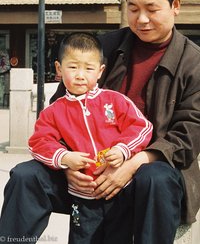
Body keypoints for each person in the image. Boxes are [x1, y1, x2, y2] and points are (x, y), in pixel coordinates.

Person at [0, 0, 200, 244]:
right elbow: (60, 108)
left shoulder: (193, 64)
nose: (141, 19)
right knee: (25, 176)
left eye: (152, 9)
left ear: (175, 6)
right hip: (86, 175)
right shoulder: (104, 48)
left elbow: (187, 138)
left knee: (155, 178)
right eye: (133, 8)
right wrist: (68, 164)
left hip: (147, 176)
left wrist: (132, 164)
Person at [29, 32, 153, 244]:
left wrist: (123, 150)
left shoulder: (114, 101)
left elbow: (141, 127)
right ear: (59, 69)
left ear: (100, 71)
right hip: (82, 196)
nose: (80, 75)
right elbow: (39, 142)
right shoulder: (54, 111)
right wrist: (64, 157)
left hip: (119, 192)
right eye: (73, 67)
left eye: (88, 68)